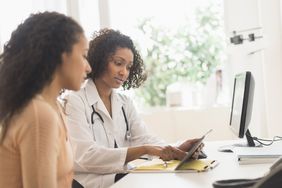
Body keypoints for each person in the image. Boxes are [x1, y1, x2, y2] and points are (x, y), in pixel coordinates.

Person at [64, 28, 203, 188]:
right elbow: (86, 156)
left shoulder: (124, 103)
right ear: (100, 60)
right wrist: (145, 149)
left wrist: (175, 147)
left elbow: (144, 138)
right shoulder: (75, 101)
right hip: (88, 183)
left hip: (122, 178)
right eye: (118, 63)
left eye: (129, 67)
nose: (124, 72)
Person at [0, 12, 91, 187]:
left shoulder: (53, 107)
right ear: (61, 55)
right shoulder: (38, 114)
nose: (88, 67)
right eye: (84, 55)